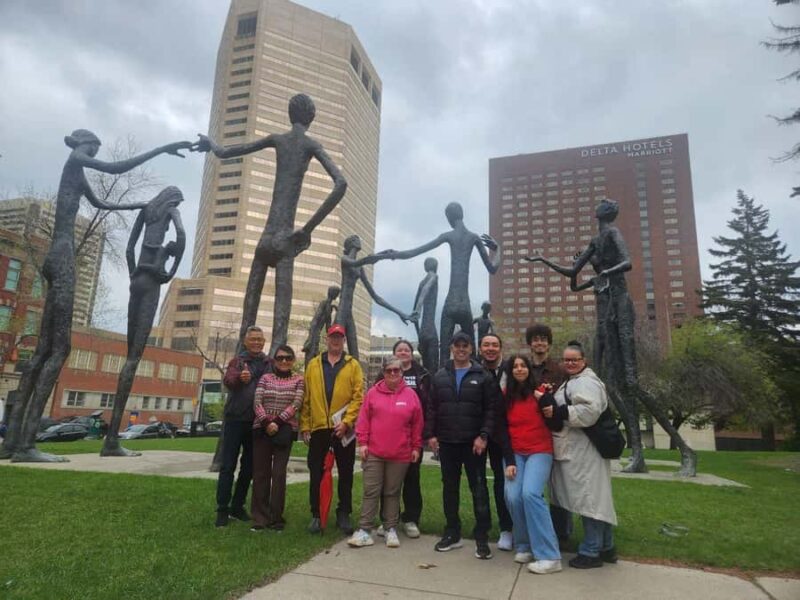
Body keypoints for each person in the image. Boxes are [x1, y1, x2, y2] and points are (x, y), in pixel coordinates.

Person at [1, 129, 192, 462]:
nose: (93, 153)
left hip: (60, 257)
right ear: (86, 146)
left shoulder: (75, 174)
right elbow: (118, 169)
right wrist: (164, 147)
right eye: (93, 149)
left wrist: (143, 206)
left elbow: (103, 203)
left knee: (45, 348)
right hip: (62, 256)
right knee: (60, 348)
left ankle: (13, 443)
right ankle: (27, 445)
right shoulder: (77, 159)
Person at [194, 94, 347, 355]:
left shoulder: (277, 139)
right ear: (311, 118)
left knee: (249, 309)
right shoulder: (311, 145)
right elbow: (340, 184)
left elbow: (228, 152)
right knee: (281, 317)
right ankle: (276, 365)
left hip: (266, 238)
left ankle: (242, 359)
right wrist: (307, 229)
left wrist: (212, 145)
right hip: (286, 240)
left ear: (290, 114)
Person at [426, 331, 500, 559]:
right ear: (451, 348)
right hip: (447, 442)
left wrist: (484, 435)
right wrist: (431, 435)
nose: (461, 349)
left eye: (465, 346)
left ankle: (482, 536)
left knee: (478, 489)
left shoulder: (483, 375)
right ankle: (452, 531)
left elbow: (491, 409)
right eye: (457, 346)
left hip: (473, 443)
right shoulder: (440, 376)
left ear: (471, 349)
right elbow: (432, 408)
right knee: (450, 489)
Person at [548, 341, 618, 569]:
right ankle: (606, 547)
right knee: (595, 498)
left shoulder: (586, 382)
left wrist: (559, 411)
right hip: (578, 449)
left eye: (574, 360)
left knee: (590, 500)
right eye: (566, 359)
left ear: (583, 361)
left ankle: (591, 551)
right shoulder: (574, 381)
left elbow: (588, 413)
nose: (569, 363)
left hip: (585, 450)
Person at [348, 356, 423, 549]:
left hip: (400, 454)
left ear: (401, 372)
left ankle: (390, 529)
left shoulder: (411, 396)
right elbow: (363, 420)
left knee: (392, 492)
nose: (392, 374)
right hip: (374, 452)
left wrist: (416, 447)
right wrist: (362, 443)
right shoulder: (373, 393)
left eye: (396, 370)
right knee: (371, 491)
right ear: (383, 372)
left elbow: (417, 424)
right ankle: (364, 530)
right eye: (388, 370)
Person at [498, 354, 562, 574]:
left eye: (523, 365)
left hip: (540, 451)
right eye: (514, 366)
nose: (519, 369)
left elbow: (555, 421)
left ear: (528, 369)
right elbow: (503, 432)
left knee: (531, 494)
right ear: (510, 371)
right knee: (513, 496)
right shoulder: (505, 397)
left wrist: (544, 399)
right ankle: (524, 545)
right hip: (516, 453)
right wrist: (509, 461)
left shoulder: (541, 394)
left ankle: (549, 555)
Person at [301, 324, 364, 535]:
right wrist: (305, 426)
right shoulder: (313, 364)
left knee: (346, 472)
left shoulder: (352, 364)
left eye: (339, 337)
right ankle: (316, 515)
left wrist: (347, 422)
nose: (336, 341)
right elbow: (306, 398)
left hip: (344, 429)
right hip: (319, 428)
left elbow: (358, 396)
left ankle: (343, 513)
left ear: (344, 340)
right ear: (326, 339)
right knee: (316, 472)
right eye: (332, 337)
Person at [216, 326, 273, 528]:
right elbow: (228, 380)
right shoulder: (238, 362)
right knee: (228, 466)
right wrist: (240, 379)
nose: (257, 342)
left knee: (249, 467)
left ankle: (237, 506)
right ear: (246, 341)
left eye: (260, 339)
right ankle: (222, 509)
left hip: (257, 422)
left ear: (264, 341)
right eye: (253, 339)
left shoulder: (269, 363)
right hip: (235, 420)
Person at [374, 339, 431, 539]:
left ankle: (411, 519)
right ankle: (389, 519)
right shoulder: (385, 373)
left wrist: (424, 435)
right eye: (400, 350)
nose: (404, 352)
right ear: (394, 354)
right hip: (388, 437)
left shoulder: (422, 374)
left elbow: (428, 405)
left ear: (411, 353)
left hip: (412, 437)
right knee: (388, 481)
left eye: (407, 349)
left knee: (411, 479)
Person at [525, 323, 571, 544]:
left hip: (555, 433)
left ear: (549, 343)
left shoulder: (559, 371)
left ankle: (561, 534)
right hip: (529, 434)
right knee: (531, 489)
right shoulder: (522, 369)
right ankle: (533, 531)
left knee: (558, 486)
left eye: (543, 339)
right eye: (535, 339)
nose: (539, 343)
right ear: (530, 343)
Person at [251, 344, 304, 532]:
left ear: (293, 361)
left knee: (279, 474)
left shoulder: (299, 380)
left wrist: (278, 422)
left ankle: (276, 518)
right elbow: (257, 401)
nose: (284, 361)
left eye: (288, 358)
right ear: (274, 360)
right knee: (260, 474)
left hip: (284, 430)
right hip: (261, 429)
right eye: (280, 358)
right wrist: (266, 422)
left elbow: (296, 403)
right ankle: (259, 518)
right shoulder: (265, 378)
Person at [478, 333, 513, 552]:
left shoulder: (511, 369)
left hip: (502, 434)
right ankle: (482, 525)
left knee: (502, 482)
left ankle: (506, 528)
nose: (490, 348)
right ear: (480, 348)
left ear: (500, 348)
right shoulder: (474, 369)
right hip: (478, 435)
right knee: (478, 482)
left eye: (494, 345)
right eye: (486, 345)